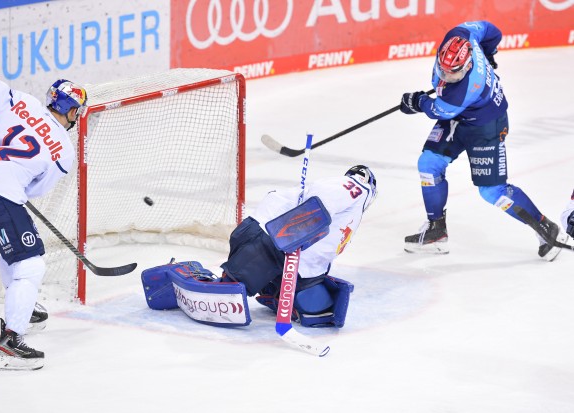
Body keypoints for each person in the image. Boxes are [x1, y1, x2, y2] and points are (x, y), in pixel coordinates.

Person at [398, 20, 567, 261]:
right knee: (428, 163)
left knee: (491, 191)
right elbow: (491, 29)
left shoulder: (467, 88)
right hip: (462, 117)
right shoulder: (461, 34)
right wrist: (489, 52)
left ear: (467, 66)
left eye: (452, 73)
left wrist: (416, 102)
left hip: (485, 126)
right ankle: (436, 230)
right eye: (442, 68)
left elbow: (437, 110)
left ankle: (546, 229)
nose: (445, 75)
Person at [0, 76, 87, 370]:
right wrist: (12, 185)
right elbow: (35, 190)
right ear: (71, 111)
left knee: (16, 252)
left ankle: (23, 309)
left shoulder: (23, 101)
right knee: (31, 264)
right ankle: (12, 342)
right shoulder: (63, 150)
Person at [219, 164, 377, 327]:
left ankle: (273, 288)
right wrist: (301, 224)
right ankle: (229, 283)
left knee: (317, 307)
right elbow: (326, 194)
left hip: (298, 264)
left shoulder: (350, 214)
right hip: (269, 237)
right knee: (229, 294)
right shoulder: (360, 187)